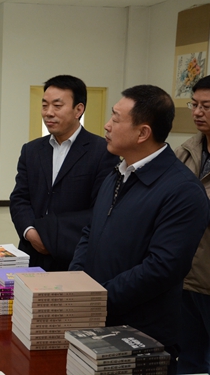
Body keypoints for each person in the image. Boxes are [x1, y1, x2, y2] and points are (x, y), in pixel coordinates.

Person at [69, 84, 210, 372]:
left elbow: (163, 267)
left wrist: (100, 297)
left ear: (142, 133)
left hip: (141, 335)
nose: (107, 125)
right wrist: (78, 282)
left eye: (116, 118)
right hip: (97, 318)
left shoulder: (182, 190)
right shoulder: (117, 173)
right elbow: (91, 231)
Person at [10, 75, 118, 271]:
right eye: (45, 105)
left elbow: (101, 209)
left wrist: (52, 239)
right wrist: (30, 232)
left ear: (79, 109)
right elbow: (20, 198)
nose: (48, 113)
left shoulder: (102, 152)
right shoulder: (31, 150)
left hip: (74, 256)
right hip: (31, 252)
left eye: (57, 106)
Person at [174, 75, 210, 374]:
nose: (197, 112)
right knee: (187, 358)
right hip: (184, 277)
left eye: (206, 106)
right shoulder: (185, 151)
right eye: (194, 104)